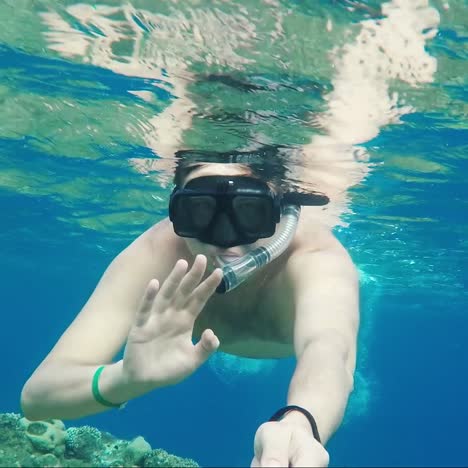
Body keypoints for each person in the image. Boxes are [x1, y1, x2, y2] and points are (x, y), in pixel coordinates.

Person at [21, 148, 359, 468]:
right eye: (200, 212)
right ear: (174, 212)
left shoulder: (316, 259)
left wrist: (300, 422)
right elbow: (37, 399)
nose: (226, 241)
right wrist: (124, 379)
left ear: (281, 212)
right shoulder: (157, 255)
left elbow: (328, 350)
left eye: (249, 212)